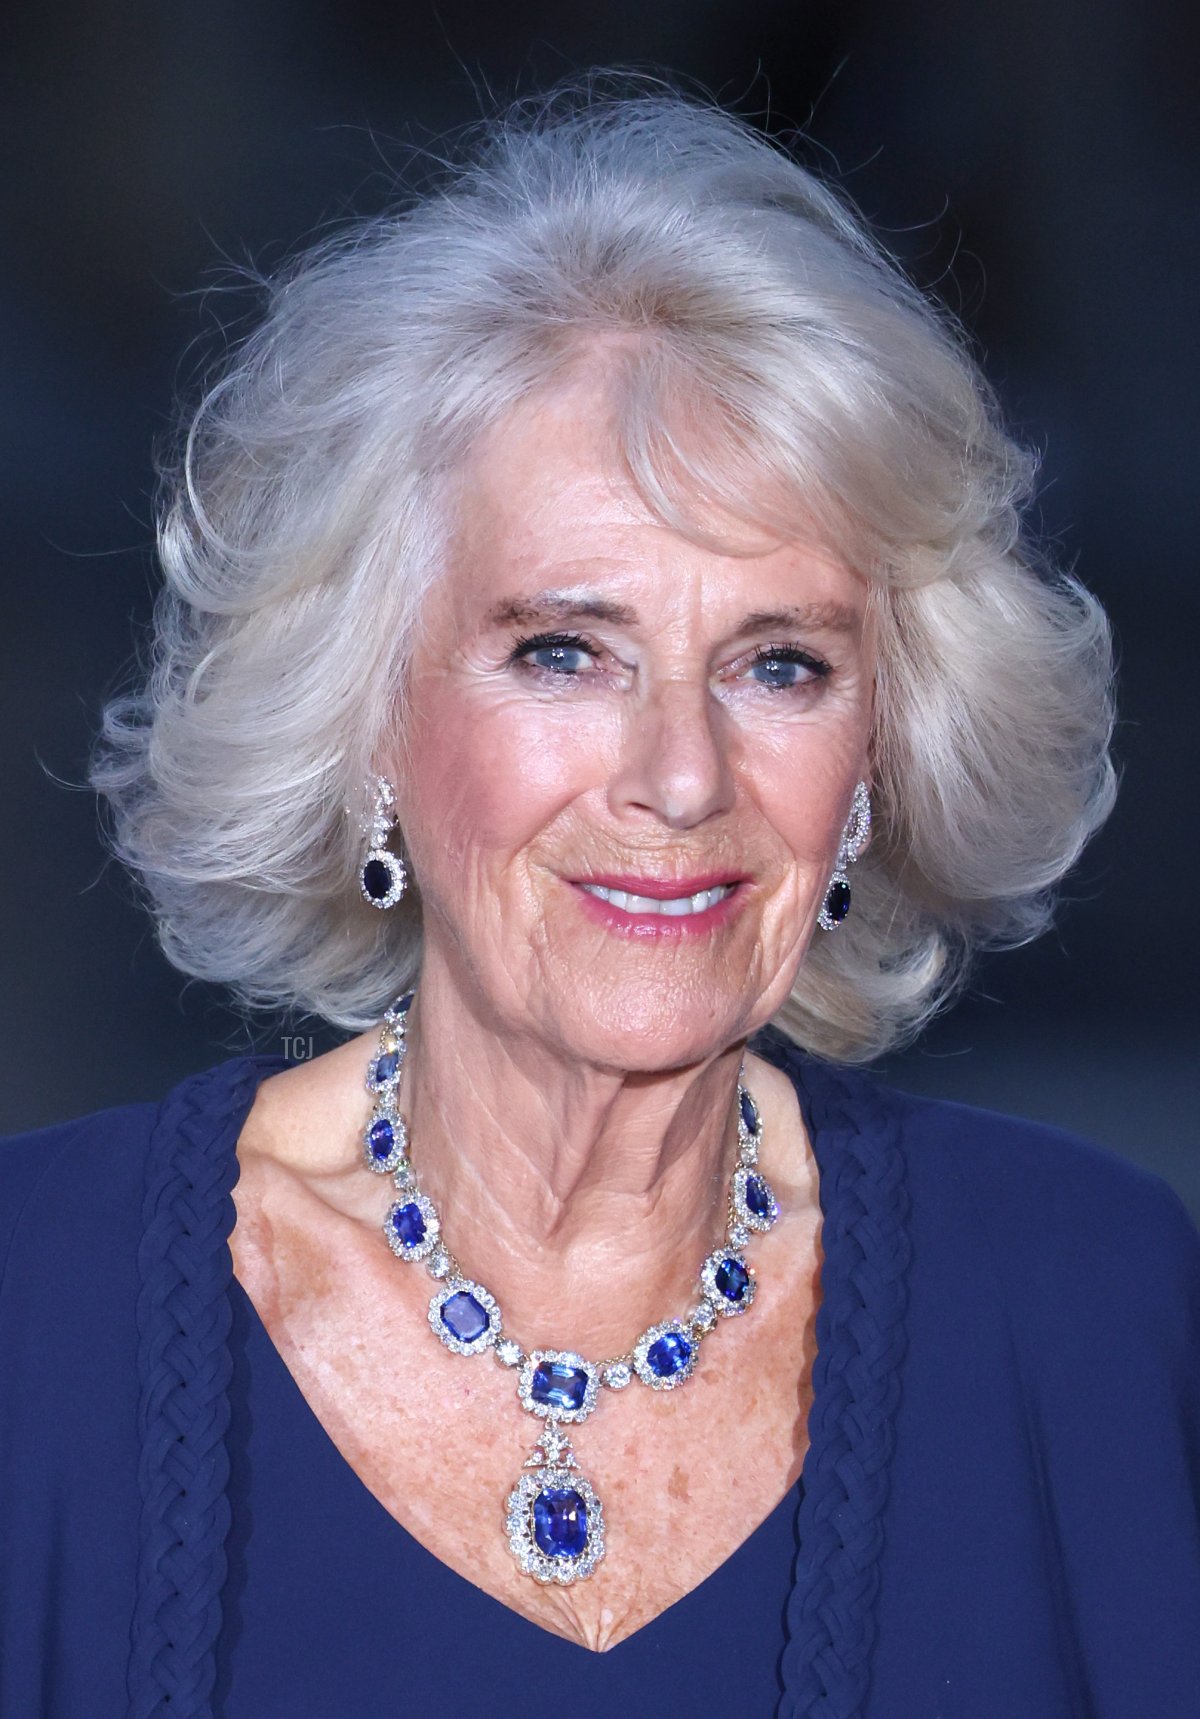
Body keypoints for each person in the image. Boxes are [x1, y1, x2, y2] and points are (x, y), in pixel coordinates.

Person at [2, 81, 1197, 1719]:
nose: (683, 776)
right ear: (369, 721)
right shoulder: (31, 1313)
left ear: (876, 754)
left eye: (781, 664)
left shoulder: (1101, 1311)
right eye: (564, 650)